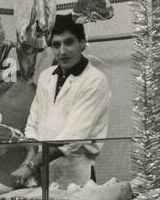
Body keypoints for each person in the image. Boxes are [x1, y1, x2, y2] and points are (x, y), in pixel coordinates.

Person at [11, 13, 111, 187]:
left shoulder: (95, 81)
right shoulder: (46, 76)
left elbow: (72, 137)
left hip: (77, 174)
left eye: (68, 42)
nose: (62, 51)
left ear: (82, 43)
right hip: (42, 171)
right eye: (56, 45)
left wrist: (31, 165)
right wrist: (30, 158)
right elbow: (33, 123)